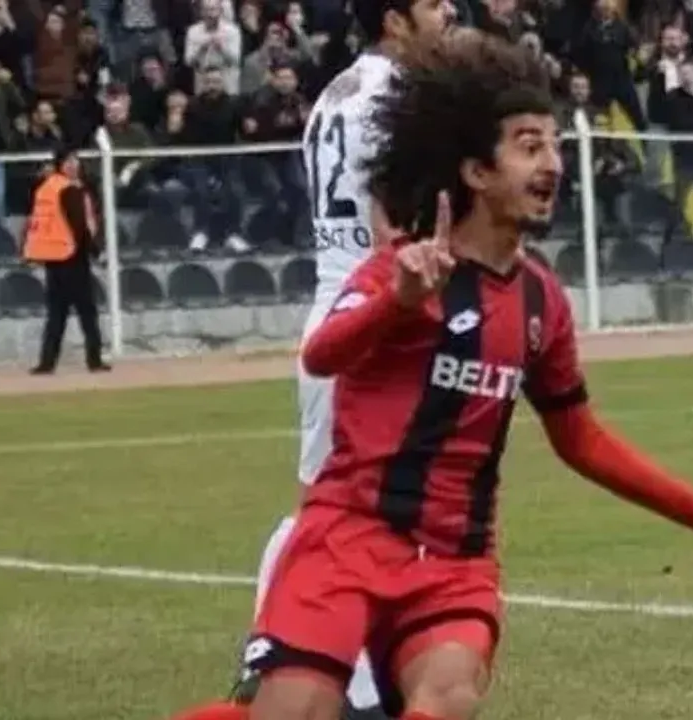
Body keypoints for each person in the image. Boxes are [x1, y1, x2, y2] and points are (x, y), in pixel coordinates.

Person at [230, 31, 693, 720]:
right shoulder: (404, 268)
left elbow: (581, 438)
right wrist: (398, 303)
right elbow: (322, 355)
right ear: (477, 172)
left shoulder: (541, 302)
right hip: (346, 539)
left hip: (454, 563)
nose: (553, 164)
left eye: (556, 146)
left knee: (449, 692)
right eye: (530, 147)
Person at [175, 3, 459, 720]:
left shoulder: (336, 92)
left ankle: (291, 662)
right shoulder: (401, 97)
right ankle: (311, 669)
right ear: (395, 20)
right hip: (374, 313)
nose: (450, 9)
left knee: (332, 506)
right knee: (345, 514)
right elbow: (387, 222)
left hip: (334, 302)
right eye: (432, 2)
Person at [22, 146, 110, 375]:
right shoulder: (69, 190)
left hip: (53, 257)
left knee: (56, 314)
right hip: (73, 256)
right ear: (61, 165)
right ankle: (94, 360)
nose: (74, 165)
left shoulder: (47, 188)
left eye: (75, 161)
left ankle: (47, 362)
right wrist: (96, 252)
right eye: (69, 161)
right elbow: (79, 225)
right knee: (86, 312)